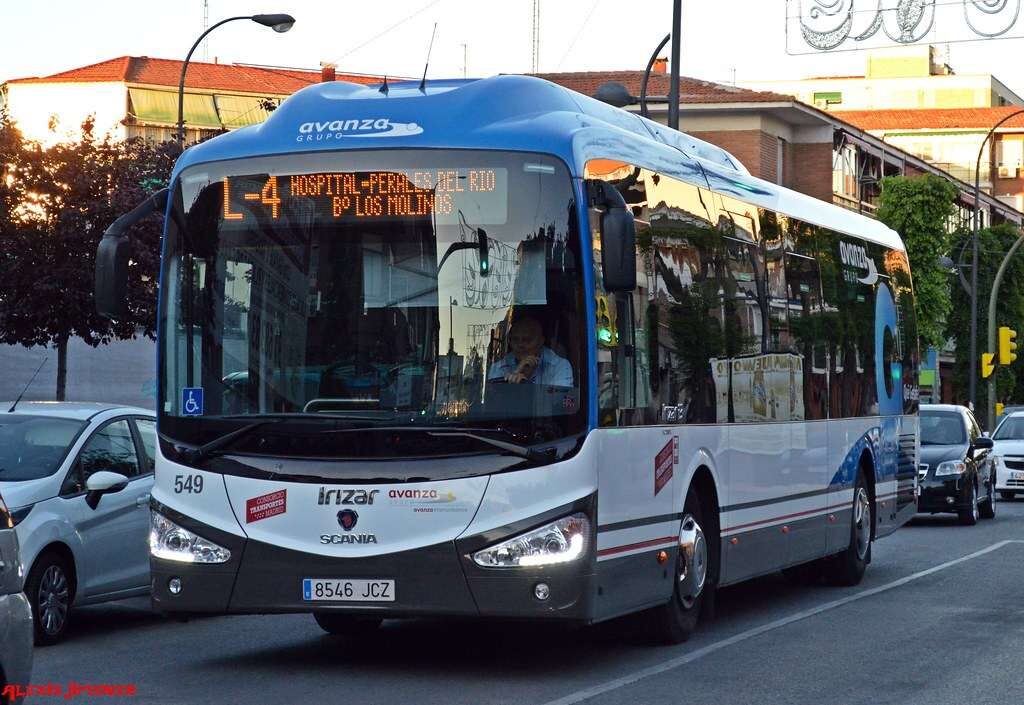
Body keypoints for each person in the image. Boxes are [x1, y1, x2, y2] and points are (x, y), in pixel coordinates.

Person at [488, 316, 573, 387]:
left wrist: (525, 382)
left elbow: (559, 402)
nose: (520, 345)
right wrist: (515, 375)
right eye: (515, 339)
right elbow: (492, 401)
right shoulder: (498, 367)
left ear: (541, 341)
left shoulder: (559, 366)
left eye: (527, 340)